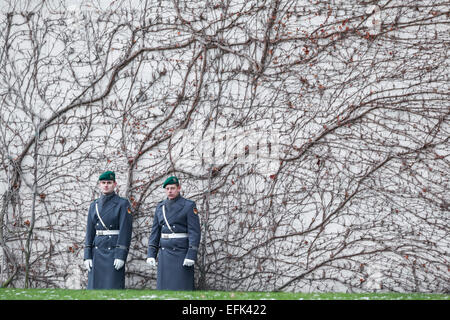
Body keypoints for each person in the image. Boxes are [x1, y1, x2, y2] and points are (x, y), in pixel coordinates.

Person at [146, 176, 201, 290]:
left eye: (172, 188)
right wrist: (151, 253)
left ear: (179, 188)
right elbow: (155, 232)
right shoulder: (160, 207)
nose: (170, 191)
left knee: (181, 287)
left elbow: (194, 232)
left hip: (181, 253)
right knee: (164, 289)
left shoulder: (188, 205)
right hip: (165, 253)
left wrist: (191, 255)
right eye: (167, 189)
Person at [83, 171, 133, 289]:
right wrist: (87, 255)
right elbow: (89, 233)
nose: (106, 185)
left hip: (113, 251)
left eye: (109, 183)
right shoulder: (94, 205)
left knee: (112, 288)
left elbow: (125, 231)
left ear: (115, 184)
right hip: (97, 251)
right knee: (95, 290)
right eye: (103, 182)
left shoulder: (122, 204)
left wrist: (121, 255)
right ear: (99, 185)